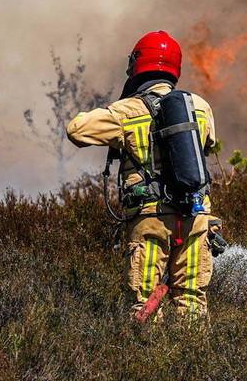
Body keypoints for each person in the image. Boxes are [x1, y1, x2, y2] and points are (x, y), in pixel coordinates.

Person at [66, 30, 218, 319]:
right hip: (196, 218)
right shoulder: (200, 107)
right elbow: (208, 144)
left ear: (137, 64)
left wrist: (117, 110)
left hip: (151, 219)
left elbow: (77, 130)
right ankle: (195, 362)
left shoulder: (127, 110)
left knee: (145, 303)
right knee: (192, 301)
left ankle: (148, 360)